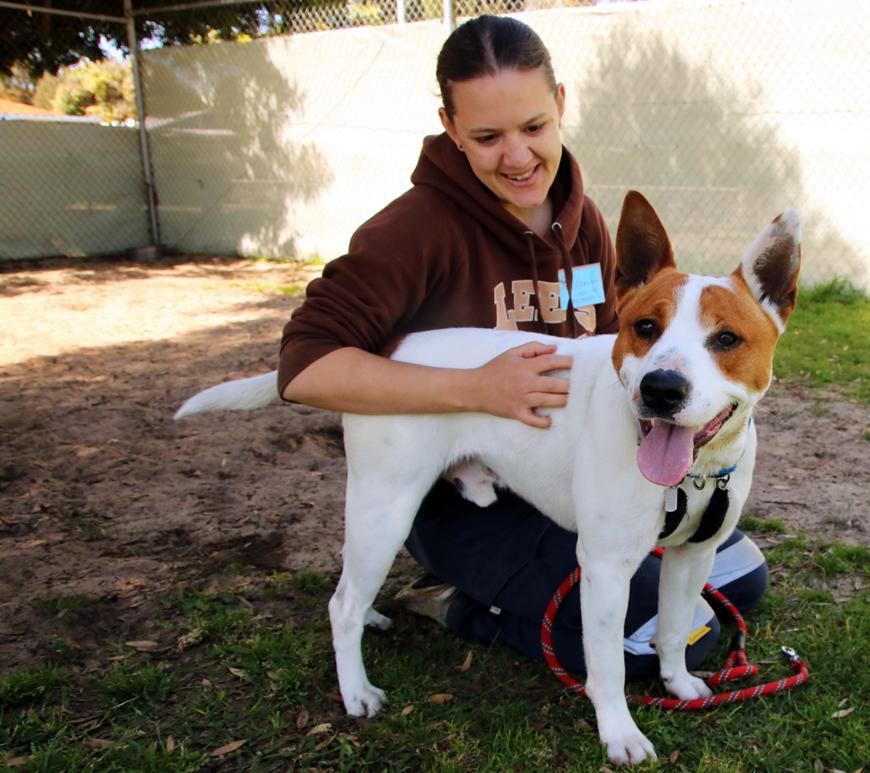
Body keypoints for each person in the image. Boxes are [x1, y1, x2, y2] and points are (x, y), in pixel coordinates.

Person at [278, 14, 767, 682]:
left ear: (561, 104)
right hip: (449, 485)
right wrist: (474, 388)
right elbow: (304, 367)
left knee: (737, 576)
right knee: (643, 637)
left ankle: (530, 581)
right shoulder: (412, 232)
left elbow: (617, 355)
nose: (517, 156)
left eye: (534, 127)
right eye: (486, 136)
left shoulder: (587, 220)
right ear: (450, 128)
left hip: (565, 473)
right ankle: (457, 598)